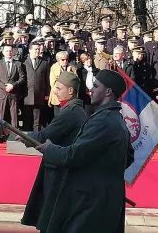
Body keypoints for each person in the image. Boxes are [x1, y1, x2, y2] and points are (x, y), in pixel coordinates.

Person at [35, 69, 134, 233]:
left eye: (96, 86)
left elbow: (73, 155)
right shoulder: (116, 119)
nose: (91, 90)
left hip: (92, 200)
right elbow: (128, 157)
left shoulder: (103, 120)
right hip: (107, 198)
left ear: (108, 91)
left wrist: (49, 149)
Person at [19, 72, 87, 233]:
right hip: (58, 167)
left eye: (58, 88)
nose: (54, 91)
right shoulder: (72, 109)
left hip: (59, 171)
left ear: (71, 91)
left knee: (52, 219)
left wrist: (22, 136)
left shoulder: (71, 112)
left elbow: (45, 136)